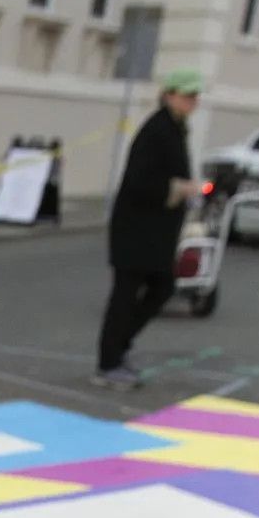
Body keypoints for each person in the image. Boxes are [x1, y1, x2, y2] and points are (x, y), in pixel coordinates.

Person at [95, 68, 202, 392]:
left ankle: (120, 347)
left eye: (195, 96)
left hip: (155, 231)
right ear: (169, 95)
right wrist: (180, 190)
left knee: (162, 288)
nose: (193, 101)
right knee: (126, 295)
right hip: (136, 229)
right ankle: (108, 363)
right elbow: (140, 182)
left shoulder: (176, 128)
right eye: (187, 95)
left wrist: (186, 192)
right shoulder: (157, 129)